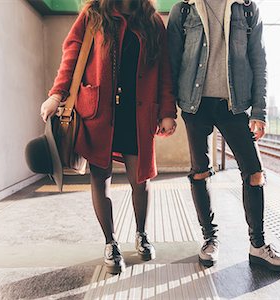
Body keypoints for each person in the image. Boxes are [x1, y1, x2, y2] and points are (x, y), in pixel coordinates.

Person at [40, 0, 177, 274]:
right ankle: (110, 242)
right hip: (99, 111)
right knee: (100, 177)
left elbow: (164, 70)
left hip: (137, 113)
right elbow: (72, 55)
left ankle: (141, 233)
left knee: (141, 179)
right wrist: (57, 94)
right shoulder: (93, 15)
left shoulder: (152, 21)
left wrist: (167, 111)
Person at [167, 0, 280, 271]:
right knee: (200, 171)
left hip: (233, 105)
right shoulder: (184, 9)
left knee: (254, 173)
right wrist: (167, 109)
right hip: (195, 104)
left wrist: (259, 110)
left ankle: (257, 246)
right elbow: (171, 61)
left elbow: (258, 59)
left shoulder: (246, 7)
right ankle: (209, 239)